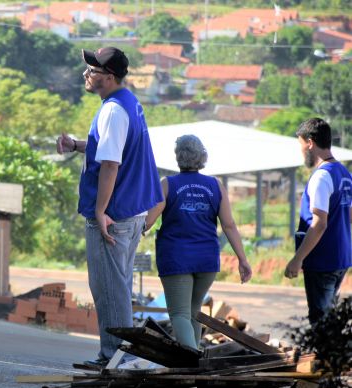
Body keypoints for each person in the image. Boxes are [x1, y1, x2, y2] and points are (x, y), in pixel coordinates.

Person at [57, 47, 163, 368]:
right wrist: (77, 145)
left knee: (108, 288)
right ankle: (118, 356)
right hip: (130, 210)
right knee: (116, 285)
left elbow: (111, 164)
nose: (86, 75)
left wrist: (101, 211)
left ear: (110, 77)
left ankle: (114, 358)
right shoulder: (127, 102)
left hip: (114, 213)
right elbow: (110, 147)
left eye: (92, 70)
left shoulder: (113, 111)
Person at [144, 135, 252, 350]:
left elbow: (148, 221)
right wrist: (243, 259)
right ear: (202, 156)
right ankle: (197, 360)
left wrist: (127, 234)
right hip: (206, 261)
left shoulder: (168, 185)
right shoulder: (215, 186)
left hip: (176, 259)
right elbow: (229, 225)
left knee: (179, 314)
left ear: (178, 157)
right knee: (193, 313)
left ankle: (193, 364)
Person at [284, 118, 352, 324]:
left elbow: (319, 223)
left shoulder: (322, 177)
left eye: (301, 145)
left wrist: (297, 259)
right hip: (340, 258)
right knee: (330, 321)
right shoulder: (344, 173)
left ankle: (328, 356)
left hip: (322, 261)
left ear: (310, 143)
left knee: (321, 323)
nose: (301, 151)